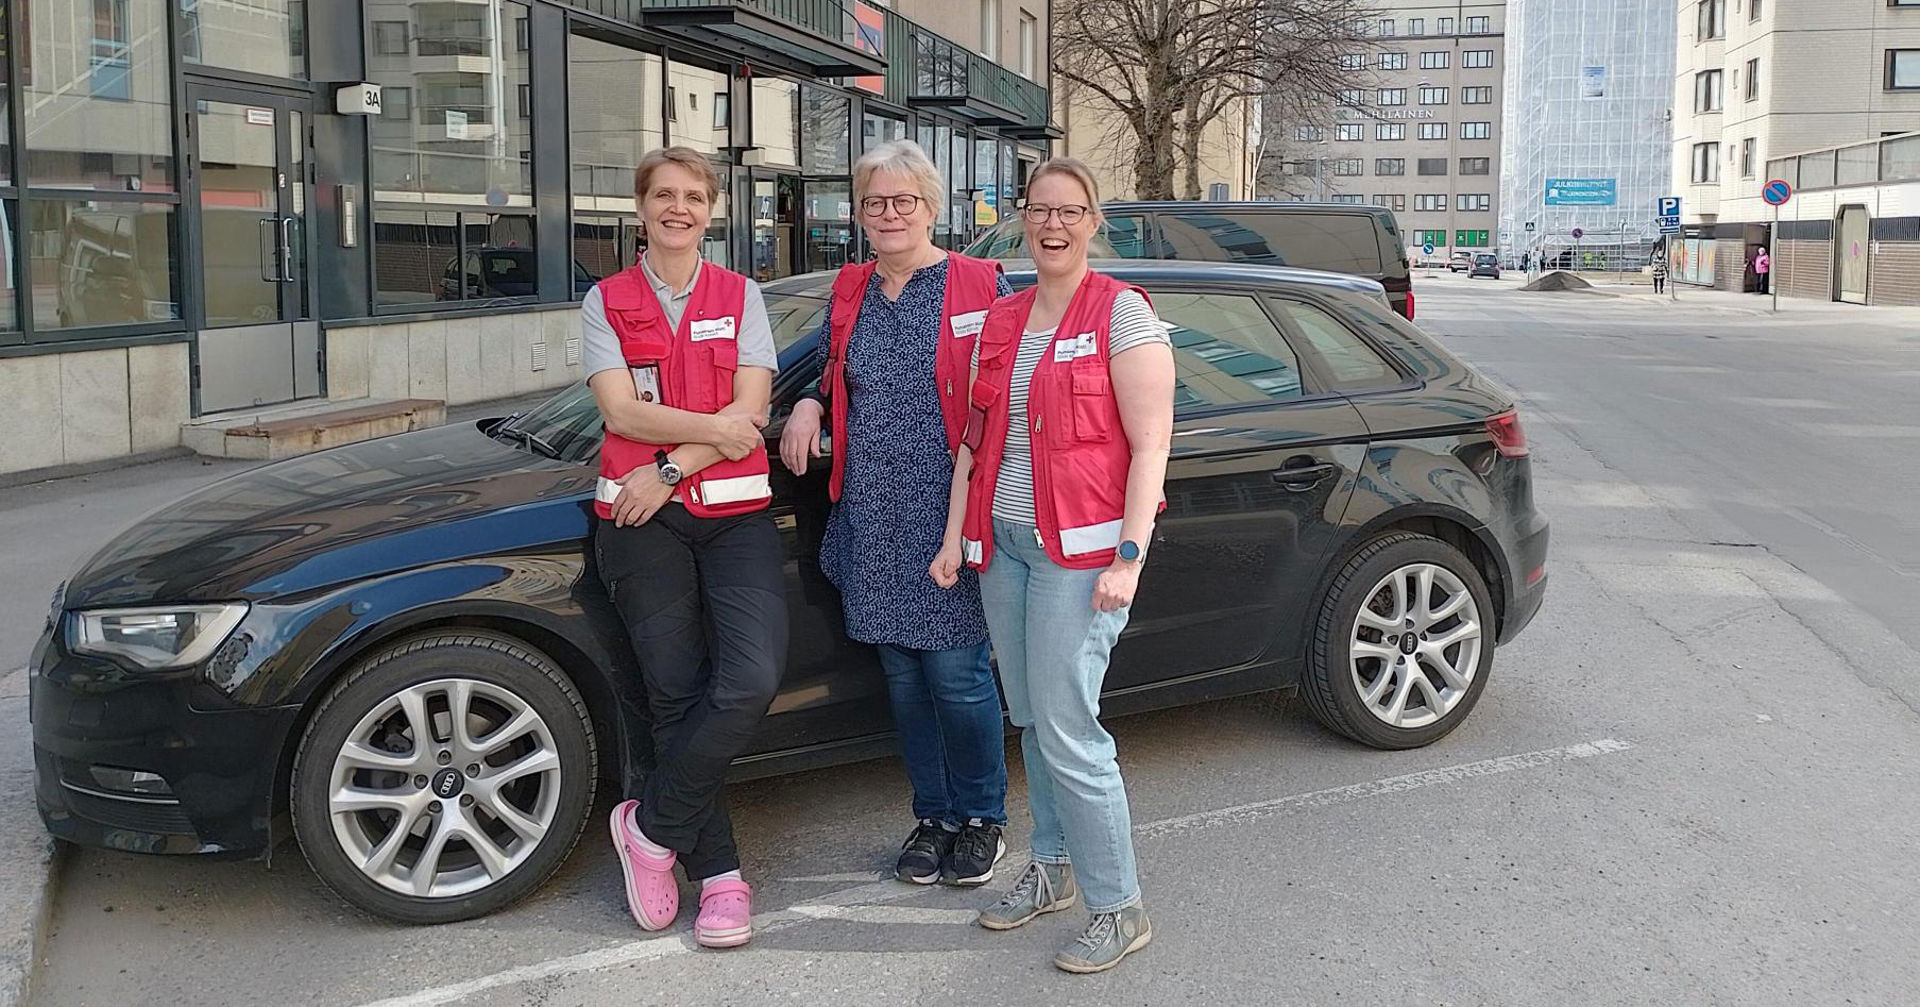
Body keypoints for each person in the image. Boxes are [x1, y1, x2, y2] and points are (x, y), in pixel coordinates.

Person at [931, 157, 1176, 974]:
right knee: (1031, 718)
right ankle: (1054, 867)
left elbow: (1151, 448)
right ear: (1022, 219)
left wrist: (1129, 557)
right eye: (1040, 210)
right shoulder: (1002, 318)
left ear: (1092, 221)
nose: (1053, 225)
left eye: (1070, 211)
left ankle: (1121, 906)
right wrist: (953, 536)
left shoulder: (1124, 314)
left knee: (1072, 729)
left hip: (1085, 554)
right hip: (1007, 549)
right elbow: (975, 436)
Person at [779, 141, 1015, 887]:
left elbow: (1007, 389)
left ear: (932, 207)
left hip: (948, 509)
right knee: (904, 679)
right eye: (875, 201)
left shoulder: (979, 282)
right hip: (873, 511)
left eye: (903, 200)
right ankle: (934, 813)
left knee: (958, 675)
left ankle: (982, 818)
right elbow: (829, 364)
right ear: (859, 211)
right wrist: (812, 400)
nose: (889, 213)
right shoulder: (850, 289)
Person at [586, 146, 786, 950]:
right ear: (640, 210)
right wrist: (713, 433)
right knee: (675, 693)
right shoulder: (607, 299)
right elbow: (622, 413)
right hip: (638, 524)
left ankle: (651, 829)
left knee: (749, 680)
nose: (679, 208)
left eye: (694, 196)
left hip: (730, 514)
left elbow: (757, 405)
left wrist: (672, 465)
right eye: (664, 195)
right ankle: (724, 878)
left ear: (712, 210)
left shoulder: (742, 295)